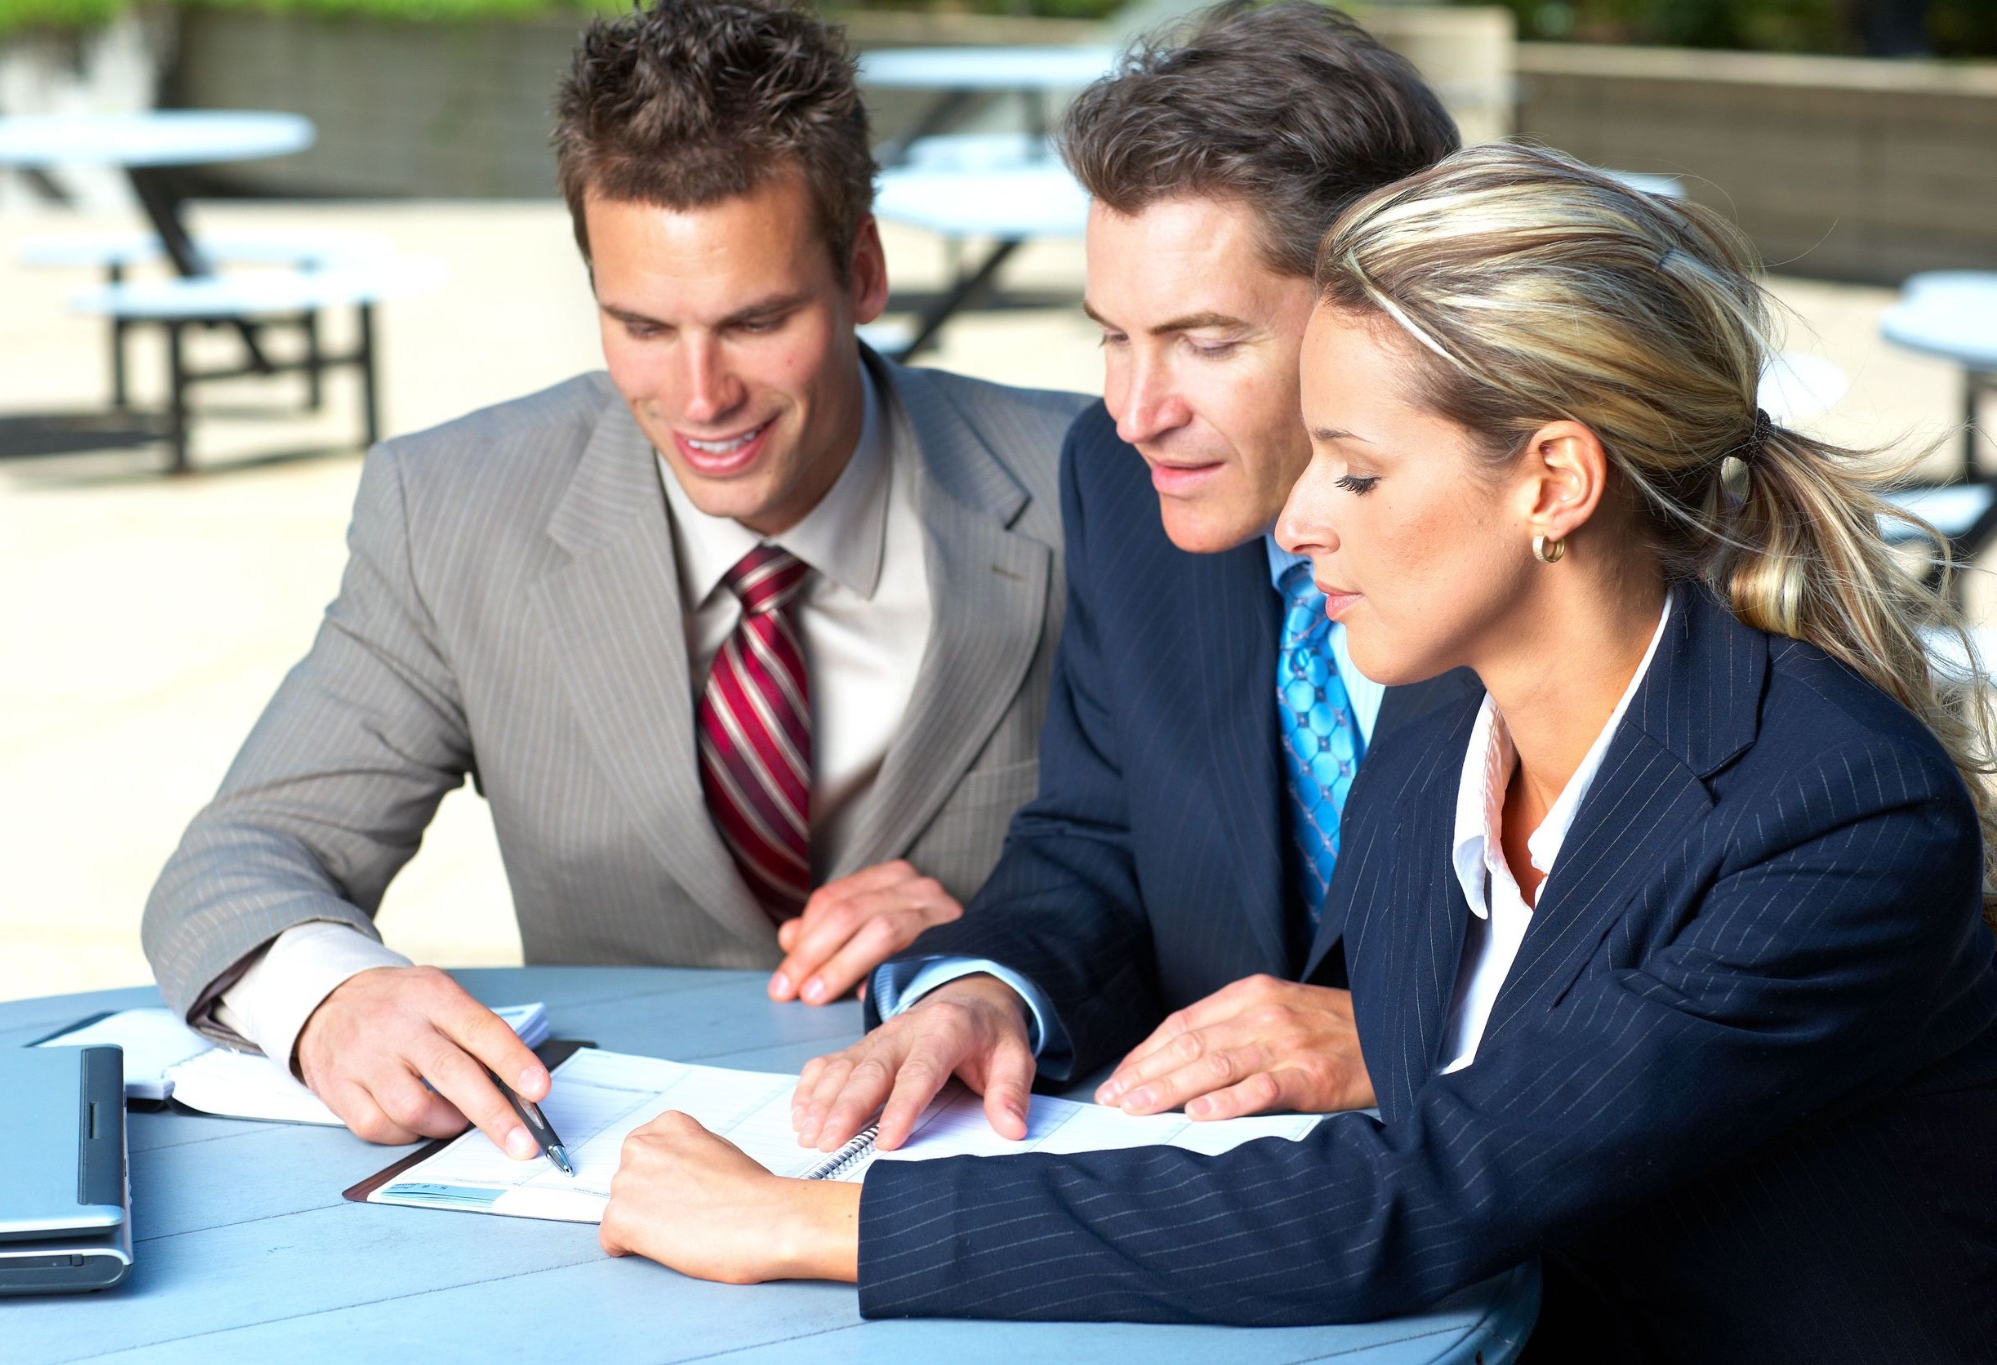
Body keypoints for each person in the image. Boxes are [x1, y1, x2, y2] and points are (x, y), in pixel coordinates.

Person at [595, 144, 1997, 1360]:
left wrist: (808, 1221)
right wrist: (981, 980)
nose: (1302, 518)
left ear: (1553, 482)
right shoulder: (1447, 724)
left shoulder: (1836, 813)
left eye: (1356, 468)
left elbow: (1418, 1191)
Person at [139, 0, 1087, 1162]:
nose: (698, 398)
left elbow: (1254, 896)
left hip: (983, 1169)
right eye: (640, 324)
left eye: (755, 321)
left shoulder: (1096, 489)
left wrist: (1006, 940)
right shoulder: (453, 511)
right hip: (606, 1188)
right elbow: (237, 862)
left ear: (864, 270)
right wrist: (332, 1002)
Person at [787, 0, 1466, 1159]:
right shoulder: (1119, 482)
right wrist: (984, 992)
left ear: (1390, 310)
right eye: (1112, 334)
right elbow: (1099, 839)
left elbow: (1678, 960)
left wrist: (1403, 1039)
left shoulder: (1545, 550)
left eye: (1205, 342)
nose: (1135, 412)